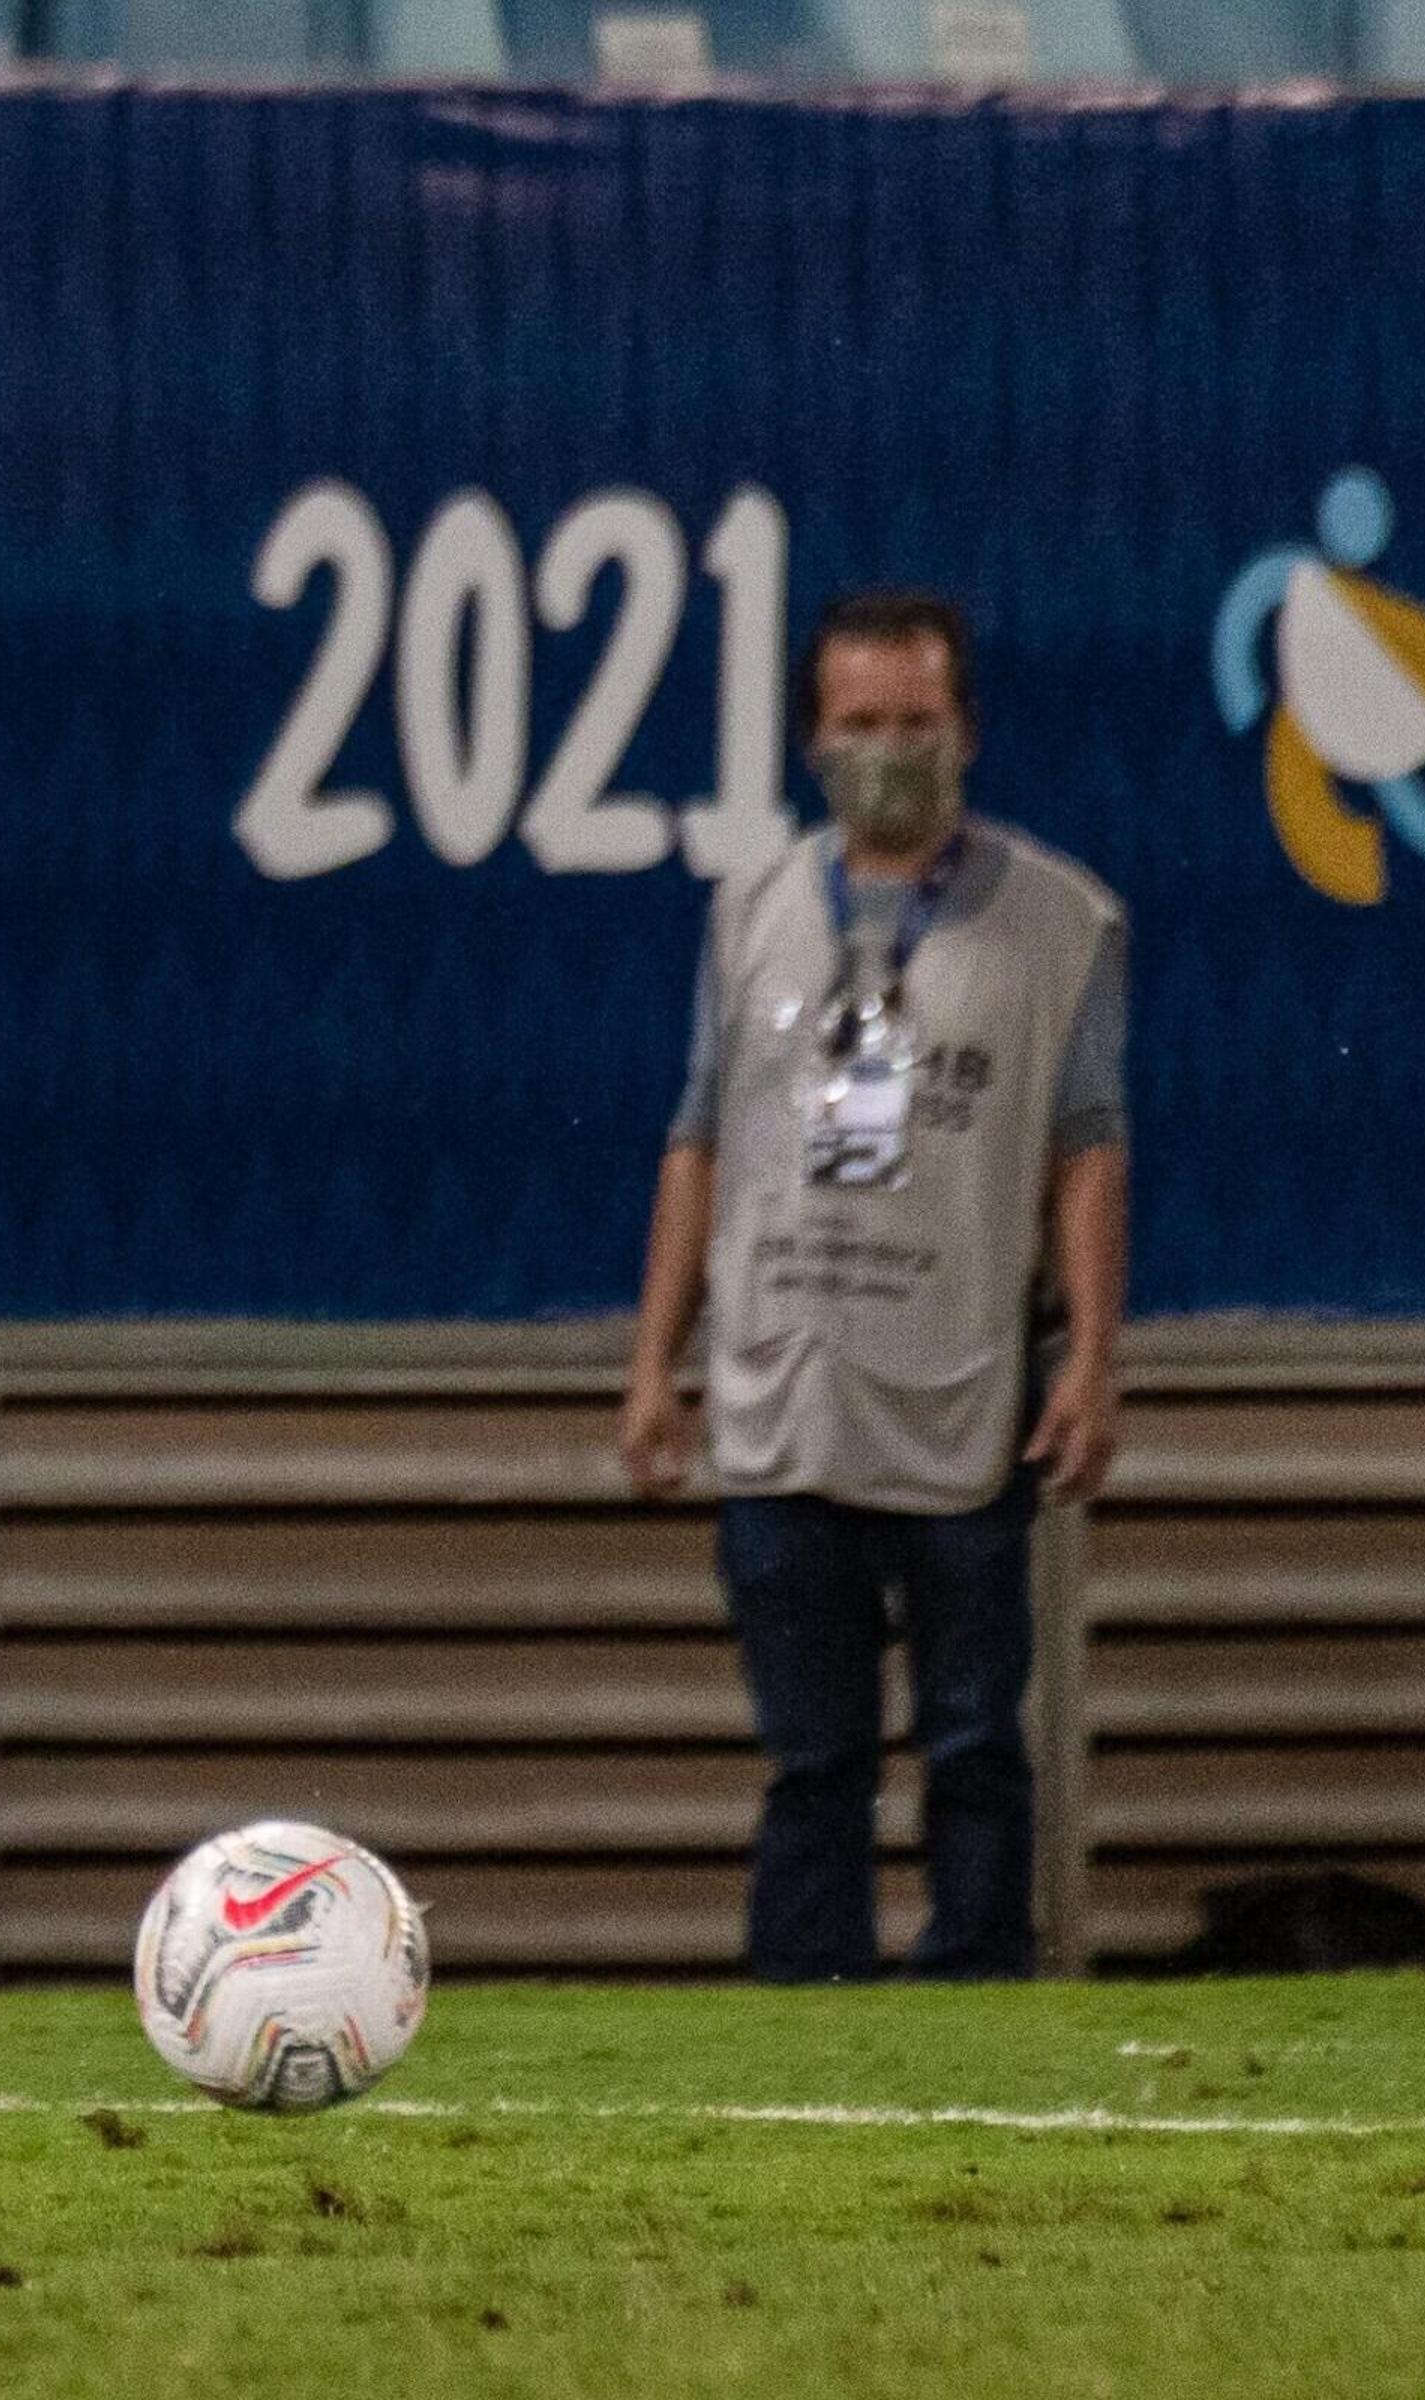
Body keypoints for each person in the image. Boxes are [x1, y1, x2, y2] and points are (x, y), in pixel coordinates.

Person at [616, 588, 1129, 1985]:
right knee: (811, 1759)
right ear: (809, 741)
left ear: (965, 730)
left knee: (973, 1744)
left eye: (915, 722)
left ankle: (976, 1999)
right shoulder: (750, 913)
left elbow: (1086, 1148)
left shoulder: (1064, 925)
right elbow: (698, 1139)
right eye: (858, 724)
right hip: (785, 1398)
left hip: (964, 1397)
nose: (888, 750)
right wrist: (654, 1361)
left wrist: (1091, 1354)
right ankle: (799, 2028)